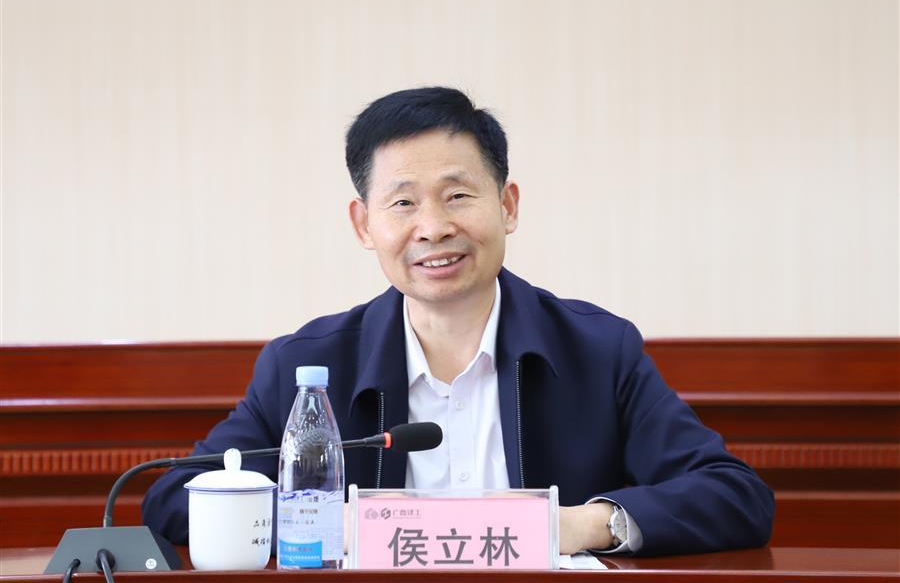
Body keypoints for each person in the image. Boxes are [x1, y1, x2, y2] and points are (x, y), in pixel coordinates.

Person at [142, 87, 774, 556]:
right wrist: (319, 524)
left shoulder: (597, 349)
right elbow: (171, 498)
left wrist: (581, 524)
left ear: (508, 205)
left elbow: (735, 496)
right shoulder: (308, 367)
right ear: (364, 225)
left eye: (458, 195)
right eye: (403, 203)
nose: (433, 227)